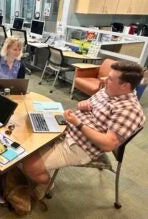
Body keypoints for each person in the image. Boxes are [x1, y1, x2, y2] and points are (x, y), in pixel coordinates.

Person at [23, 60, 146, 200]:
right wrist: (83, 105)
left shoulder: (129, 111)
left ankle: (47, 185)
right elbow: (90, 107)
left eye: (110, 79)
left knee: (30, 167)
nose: (104, 80)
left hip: (80, 146)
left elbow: (107, 144)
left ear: (125, 86)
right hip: (66, 127)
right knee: (26, 135)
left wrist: (79, 123)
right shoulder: (109, 91)